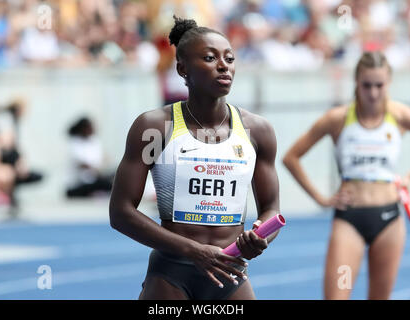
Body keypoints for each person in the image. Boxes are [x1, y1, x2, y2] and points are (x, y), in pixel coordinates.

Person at [109, 16, 281, 300]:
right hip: (172, 274)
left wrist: (259, 236)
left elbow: (272, 208)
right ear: (182, 69)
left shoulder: (256, 131)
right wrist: (193, 251)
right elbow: (121, 212)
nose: (223, 65)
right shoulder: (155, 127)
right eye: (210, 58)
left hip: (231, 273)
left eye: (230, 58)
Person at [283, 51, 410, 300]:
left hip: (389, 218)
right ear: (356, 82)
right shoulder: (338, 119)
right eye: (366, 85)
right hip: (350, 220)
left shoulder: (399, 115)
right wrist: (321, 198)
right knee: (338, 295)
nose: (373, 93)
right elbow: (291, 157)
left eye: (379, 85)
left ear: (389, 83)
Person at [66, 116, 112, 198]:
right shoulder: (75, 143)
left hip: (96, 179)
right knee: (103, 184)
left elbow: (103, 160)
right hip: (80, 183)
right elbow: (81, 164)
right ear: (83, 128)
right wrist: (96, 171)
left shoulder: (95, 142)